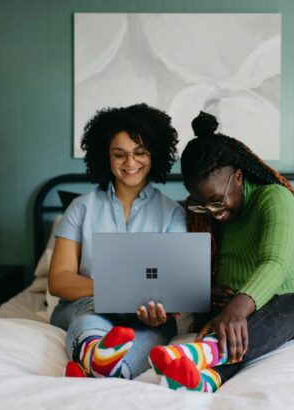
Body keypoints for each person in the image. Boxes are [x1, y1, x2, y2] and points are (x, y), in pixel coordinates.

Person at [148, 112, 294, 392]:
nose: (214, 213)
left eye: (217, 201)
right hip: (248, 319)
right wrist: (209, 294)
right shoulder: (208, 218)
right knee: (232, 322)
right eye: (201, 204)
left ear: (238, 177)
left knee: (293, 302)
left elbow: (274, 263)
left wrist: (235, 309)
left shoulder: (275, 199)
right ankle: (207, 380)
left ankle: (201, 354)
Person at [49, 103, 186, 380]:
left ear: (154, 154)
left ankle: (99, 367)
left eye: (140, 153)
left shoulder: (172, 212)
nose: (130, 163)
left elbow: (175, 284)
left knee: (156, 330)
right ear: (106, 156)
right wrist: (113, 293)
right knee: (89, 314)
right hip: (87, 304)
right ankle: (100, 361)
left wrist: (157, 309)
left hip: (146, 315)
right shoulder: (81, 208)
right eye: (119, 154)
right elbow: (59, 280)